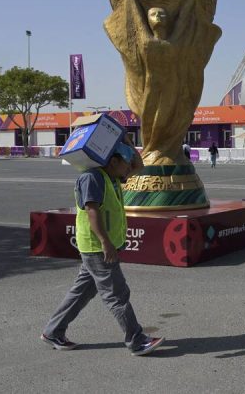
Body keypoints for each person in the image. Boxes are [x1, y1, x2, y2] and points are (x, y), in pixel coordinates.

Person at [41, 135, 165, 356]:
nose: (129, 169)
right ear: (113, 161)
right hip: (97, 246)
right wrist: (105, 242)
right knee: (117, 294)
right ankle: (136, 340)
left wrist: (125, 140)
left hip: (100, 246)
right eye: (124, 164)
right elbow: (92, 210)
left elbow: (139, 165)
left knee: (82, 292)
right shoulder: (93, 178)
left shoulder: (112, 177)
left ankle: (53, 331)